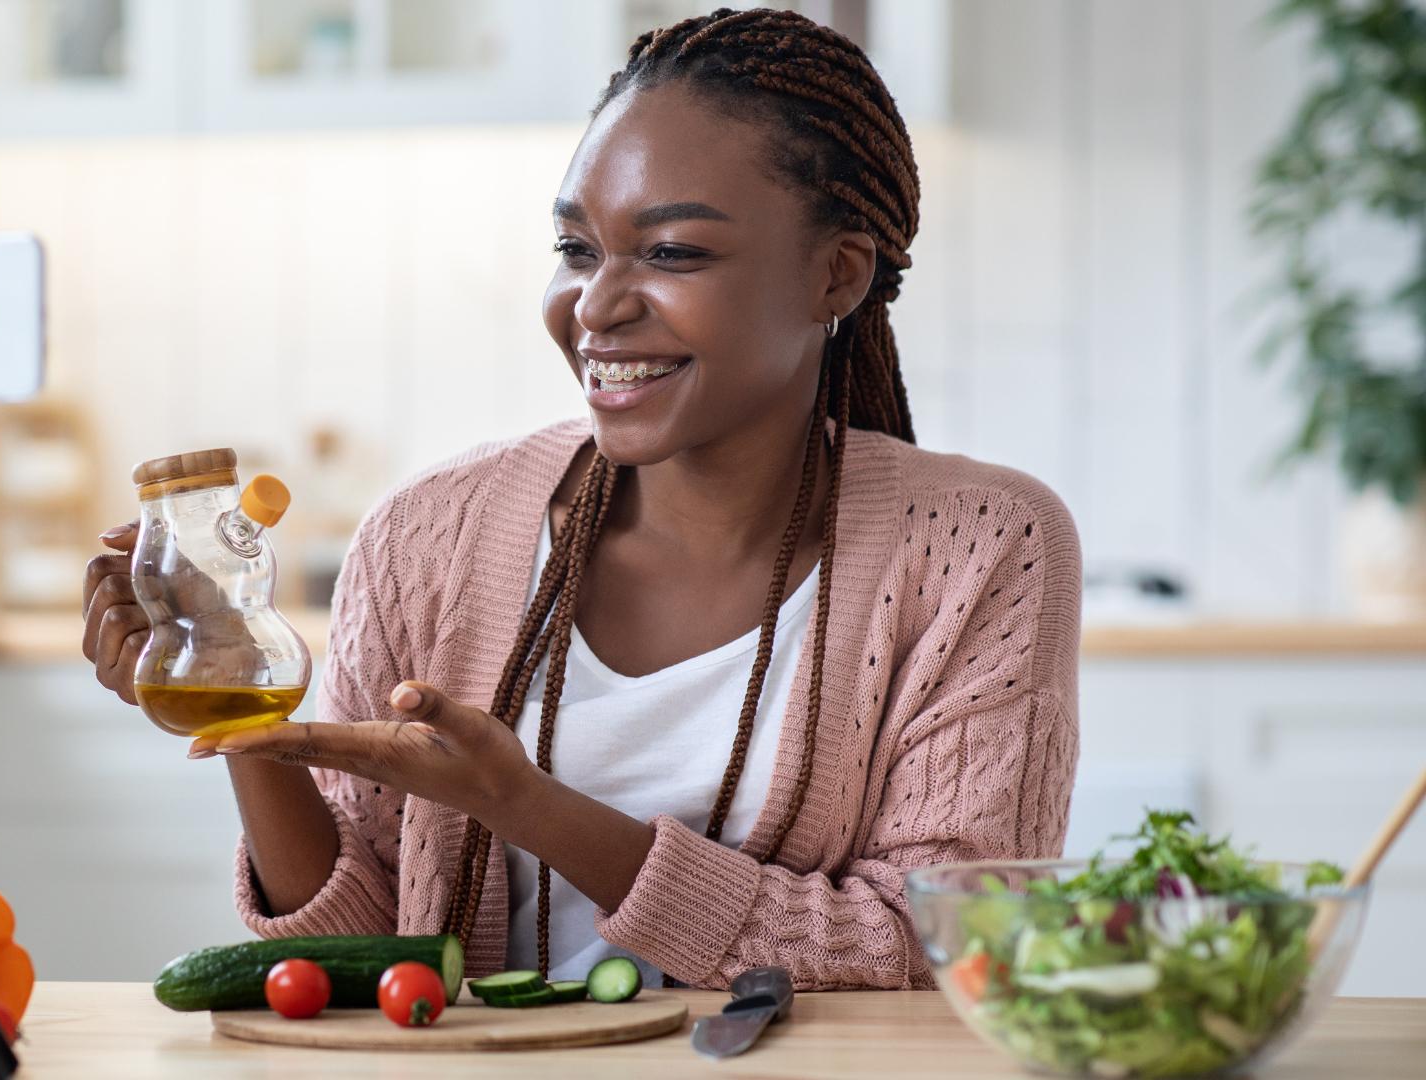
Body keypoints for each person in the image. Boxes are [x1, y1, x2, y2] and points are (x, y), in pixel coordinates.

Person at [83, 7, 1080, 991]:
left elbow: (944, 952)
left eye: (673, 252)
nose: (597, 306)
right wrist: (238, 705)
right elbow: (364, 958)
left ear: (837, 273)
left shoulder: (982, 546)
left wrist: (528, 806)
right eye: (575, 251)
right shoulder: (427, 535)